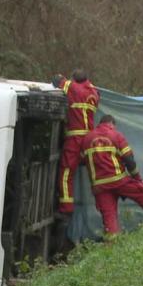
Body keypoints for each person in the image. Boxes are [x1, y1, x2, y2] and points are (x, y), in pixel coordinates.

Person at [80, 114, 143, 234]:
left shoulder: (87, 139)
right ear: (111, 124)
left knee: (109, 219)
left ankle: (111, 244)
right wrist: (138, 179)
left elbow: (83, 161)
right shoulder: (116, 135)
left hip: (99, 186)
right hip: (119, 180)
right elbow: (129, 159)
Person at [52, 69, 100, 214]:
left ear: (74, 79)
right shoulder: (94, 92)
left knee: (66, 172)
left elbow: (57, 80)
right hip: (90, 139)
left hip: (75, 138)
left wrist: (64, 79)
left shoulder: (73, 88)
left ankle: (66, 208)